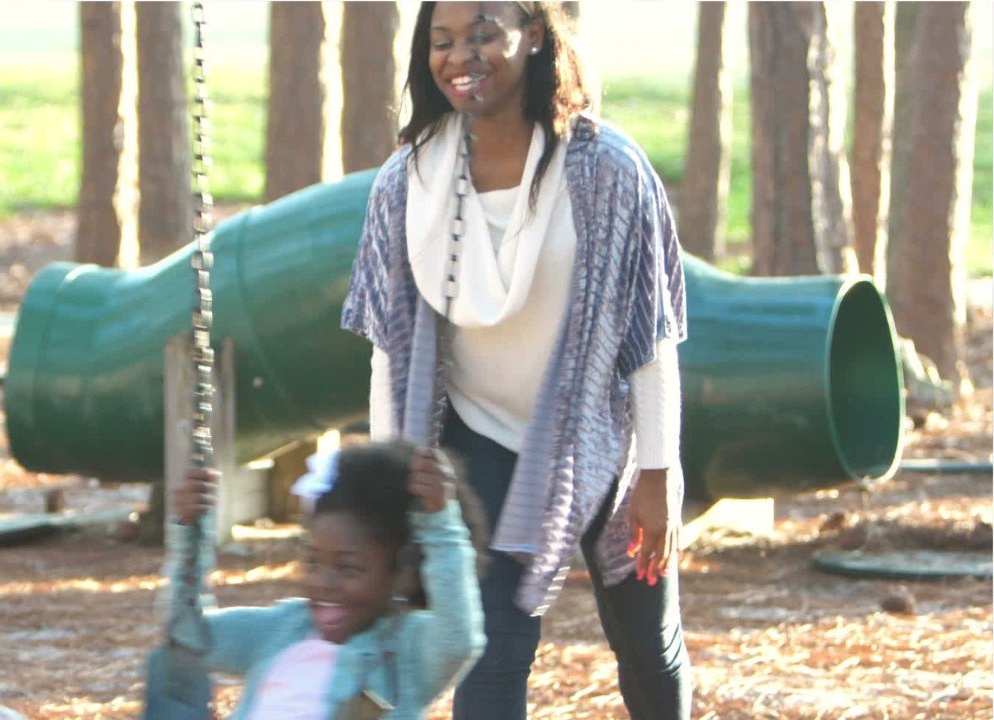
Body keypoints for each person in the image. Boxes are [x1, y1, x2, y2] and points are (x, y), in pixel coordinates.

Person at [341, 2, 693, 719]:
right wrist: (390, 478)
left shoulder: (606, 170)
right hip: (484, 440)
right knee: (492, 649)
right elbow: (392, 348)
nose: (459, 57)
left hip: (605, 440)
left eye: (481, 36)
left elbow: (650, 338)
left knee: (645, 642)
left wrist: (656, 474)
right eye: (441, 42)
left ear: (532, 35)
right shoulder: (407, 183)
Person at [163, 440, 487, 719]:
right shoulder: (282, 629)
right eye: (313, 562)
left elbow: (457, 640)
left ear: (401, 575)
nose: (323, 582)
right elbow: (187, 633)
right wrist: (190, 535)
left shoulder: (405, 652)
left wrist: (441, 526)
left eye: (348, 569)